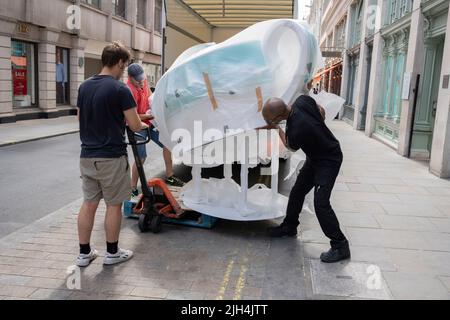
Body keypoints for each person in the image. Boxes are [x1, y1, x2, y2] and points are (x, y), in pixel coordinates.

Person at [76, 42, 148, 267]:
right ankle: (113, 253)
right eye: (124, 65)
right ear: (118, 62)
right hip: (111, 157)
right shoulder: (120, 89)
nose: (124, 69)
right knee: (114, 205)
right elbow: (135, 125)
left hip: (87, 155)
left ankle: (84, 254)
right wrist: (147, 124)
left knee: (89, 203)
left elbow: (81, 118)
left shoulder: (84, 86)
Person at [261, 87, 350, 263]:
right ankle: (289, 226)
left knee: (321, 203)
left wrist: (275, 128)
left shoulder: (297, 127)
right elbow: (320, 109)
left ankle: (340, 245)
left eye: (272, 120)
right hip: (316, 156)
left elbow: (290, 146)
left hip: (329, 160)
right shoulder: (302, 101)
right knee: (298, 191)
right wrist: (319, 121)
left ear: (279, 118)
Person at [126, 63, 185, 197]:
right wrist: (151, 115)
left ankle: (170, 176)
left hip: (150, 121)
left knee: (167, 144)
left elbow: (151, 98)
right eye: (137, 80)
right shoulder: (128, 91)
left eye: (142, 78)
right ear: (130, 78)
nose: (141, 82)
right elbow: (131, 117)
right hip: (137, 125)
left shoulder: (143, 81)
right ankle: (132, 188)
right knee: (141, 157)